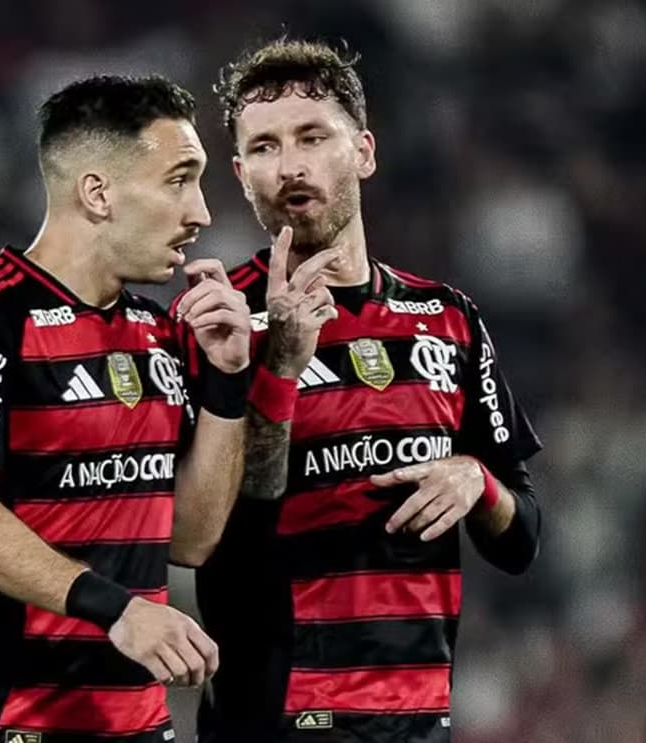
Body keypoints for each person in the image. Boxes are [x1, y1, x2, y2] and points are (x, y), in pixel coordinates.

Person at [177, 38, 545, 741]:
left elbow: (521, 540)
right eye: (263, 148)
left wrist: (477, 481)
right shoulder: (212, 322)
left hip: (418, 720)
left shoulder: (449, 319)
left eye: (312, 137)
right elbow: (217, 539)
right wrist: (278, 368)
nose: (289, 166)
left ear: (365, 153)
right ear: (239, 173)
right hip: (275, 718)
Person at [0, 75, 253, 743]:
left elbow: (193, 535)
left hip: (133, 726)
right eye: (179, 179)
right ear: (97, 192)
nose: (200, 212)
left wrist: (229, 386)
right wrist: (119, 610)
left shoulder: (159, 333)